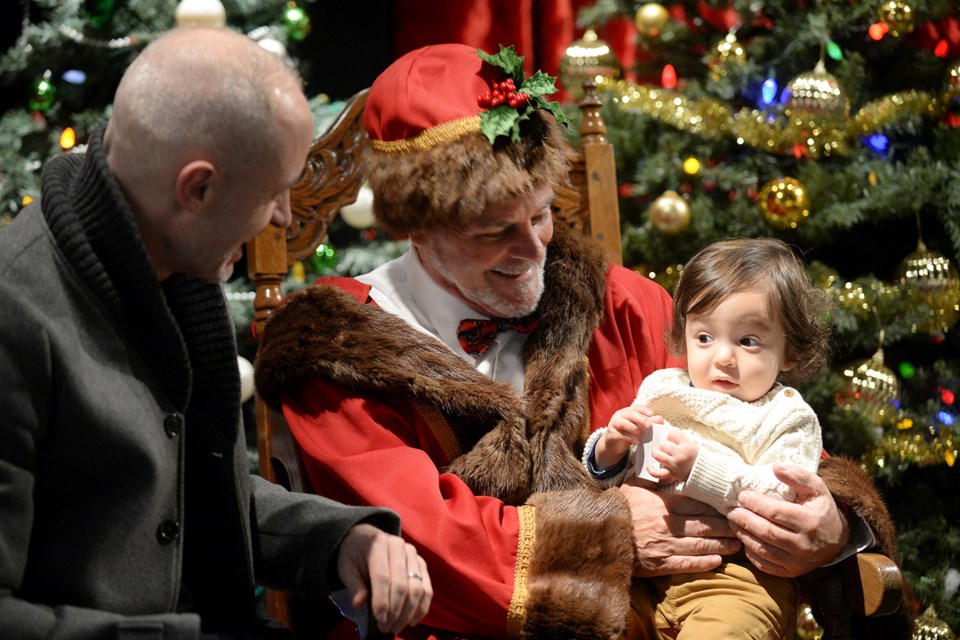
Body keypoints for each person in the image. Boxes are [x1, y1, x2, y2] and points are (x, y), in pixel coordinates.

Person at [254, 43, 904, 639]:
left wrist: (832, 530)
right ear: (417, 231)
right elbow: (418, 540)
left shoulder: (622, 302)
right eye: (494, 231)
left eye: (540, 213)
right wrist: (608, 535)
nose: (533, 247)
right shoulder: (341, 350)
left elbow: (750, 427)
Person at [0, 27, 432, 640]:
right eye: (273, 194)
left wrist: (344, 539)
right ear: (196, 189)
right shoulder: (15, 311)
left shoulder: (174, 260)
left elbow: (188, 501)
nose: (284, 216)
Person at [584, 238, 829, 638]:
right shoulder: (664, 387)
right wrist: (609, 447)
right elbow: (620, 480)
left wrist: (699, 468)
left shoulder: (786, 416)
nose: (722, 358)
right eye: (704, 337)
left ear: (790, 353)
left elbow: (781, 498)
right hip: (639, 576)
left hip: (736, 580)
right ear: (684, 335)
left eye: (748, 341)